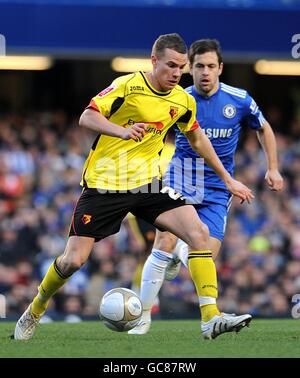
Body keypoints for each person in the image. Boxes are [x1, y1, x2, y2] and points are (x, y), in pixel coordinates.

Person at [14, 33, 254, 341]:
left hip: (148, 184)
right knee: (73, 260)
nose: (176, 73)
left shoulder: (182, 99)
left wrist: (228, 179)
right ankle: (36, 308)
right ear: (154, 61)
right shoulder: (128, 85)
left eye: (181, 67)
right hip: (105, 185)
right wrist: (122, 131)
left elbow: (197, 138)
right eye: (170, 66)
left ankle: (210, 317)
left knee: (199, 234)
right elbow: (87, 117)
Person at [129, 39, 283, 336]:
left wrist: (273, 167)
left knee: (206, 256)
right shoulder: (178, 100)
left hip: (216, 188)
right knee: (163, 241)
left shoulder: (238, 100)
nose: (205, 72)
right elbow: (153, 135)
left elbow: (264, 127)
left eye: (211, 66)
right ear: (190, 69)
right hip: (181, 178)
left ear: (220, 68)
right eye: (199, 66)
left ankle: (183, 263)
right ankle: (143, 317)